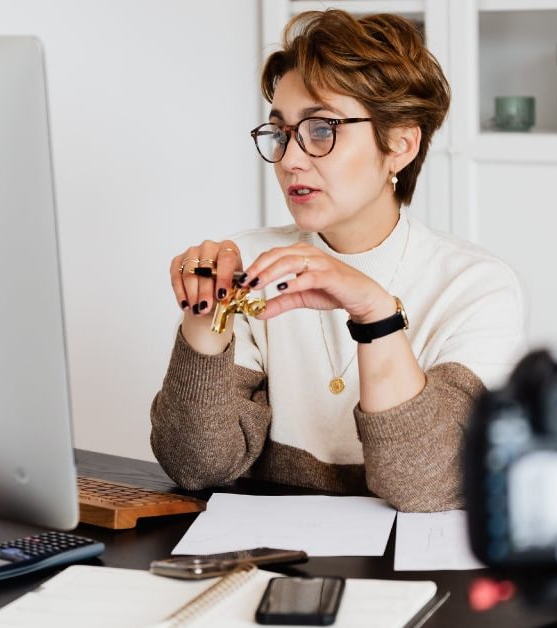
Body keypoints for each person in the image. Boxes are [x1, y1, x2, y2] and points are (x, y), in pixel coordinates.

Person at [150, 10, 526, 512]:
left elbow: (428, 485)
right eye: (281, 133)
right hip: (272, 560)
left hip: (412, 575)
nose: (290, 159)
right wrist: (204, 321)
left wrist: (377, 316)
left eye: (322, 129)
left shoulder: (476, 287)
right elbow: (197, 466)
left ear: (400, 145)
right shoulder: (250, 263)